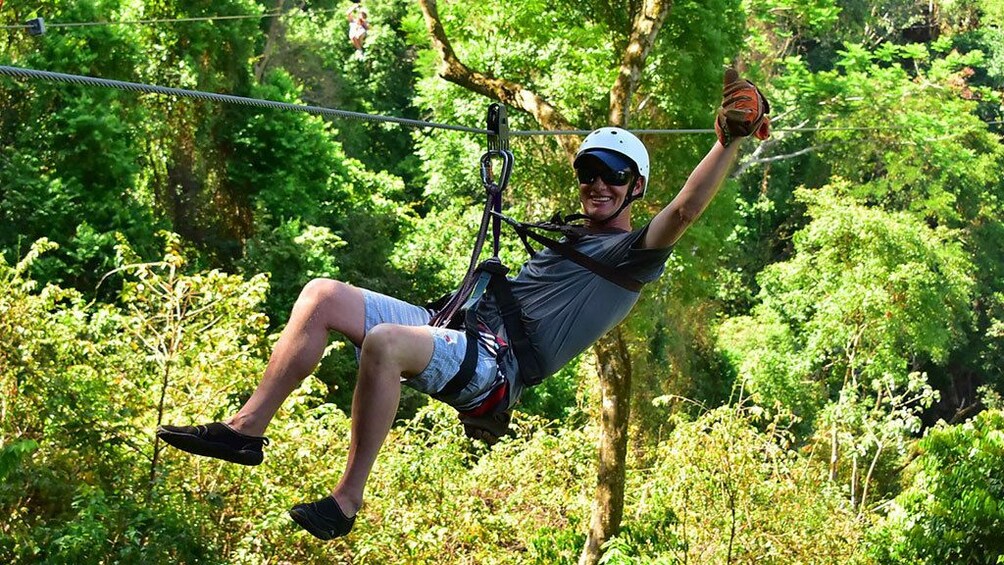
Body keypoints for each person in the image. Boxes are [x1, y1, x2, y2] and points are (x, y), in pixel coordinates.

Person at [157, 69, 770, 541]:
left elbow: (685, 210)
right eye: (589, 173)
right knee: (322, 296)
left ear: (636, 187)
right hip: (460, 331)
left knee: (385, 344)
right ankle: (246, 431)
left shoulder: (634, 253)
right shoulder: (570, 233)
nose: (597, 186)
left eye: (613, 176)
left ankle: (347, 500)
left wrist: (728, 142)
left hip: (495, 369)